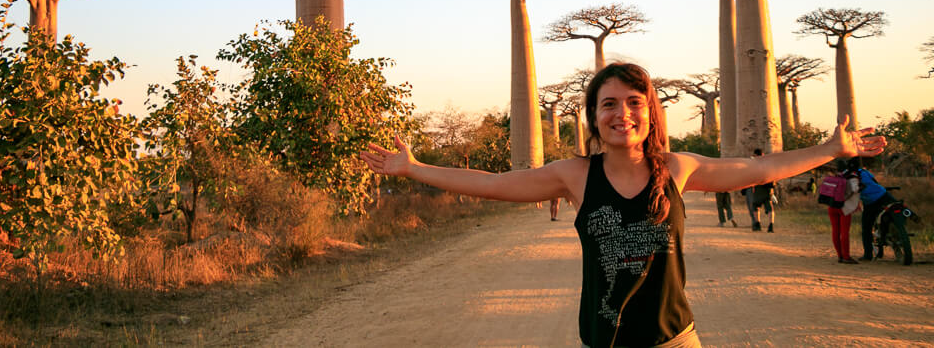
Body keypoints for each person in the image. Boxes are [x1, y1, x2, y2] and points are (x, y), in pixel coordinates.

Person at [360, 63, 886, 347]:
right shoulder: (574, 175)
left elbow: (756, 170)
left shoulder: (678, 168)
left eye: (634, 103)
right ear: (594, 115)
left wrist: (828, 150)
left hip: (674, 341)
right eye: (609, 104)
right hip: (603, 343)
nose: (622, 113)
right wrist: (414, 169)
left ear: (650, 113)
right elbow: (497, 183)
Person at [854, 157, 896, 261]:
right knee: (895, 211)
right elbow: (875, 182)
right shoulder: (864, 172)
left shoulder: (849, 176)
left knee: (866, 228)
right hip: (884, 195)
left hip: (870, 203)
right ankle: (897, 231)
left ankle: (868, 255)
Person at [827, 159, 861, 264]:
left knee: (835, 232)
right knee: (844, 232)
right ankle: (846, 256)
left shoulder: (837, 175)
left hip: (832, 206)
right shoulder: (853, 176)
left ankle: (840, 256)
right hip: (844, 208)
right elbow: (855, 189)